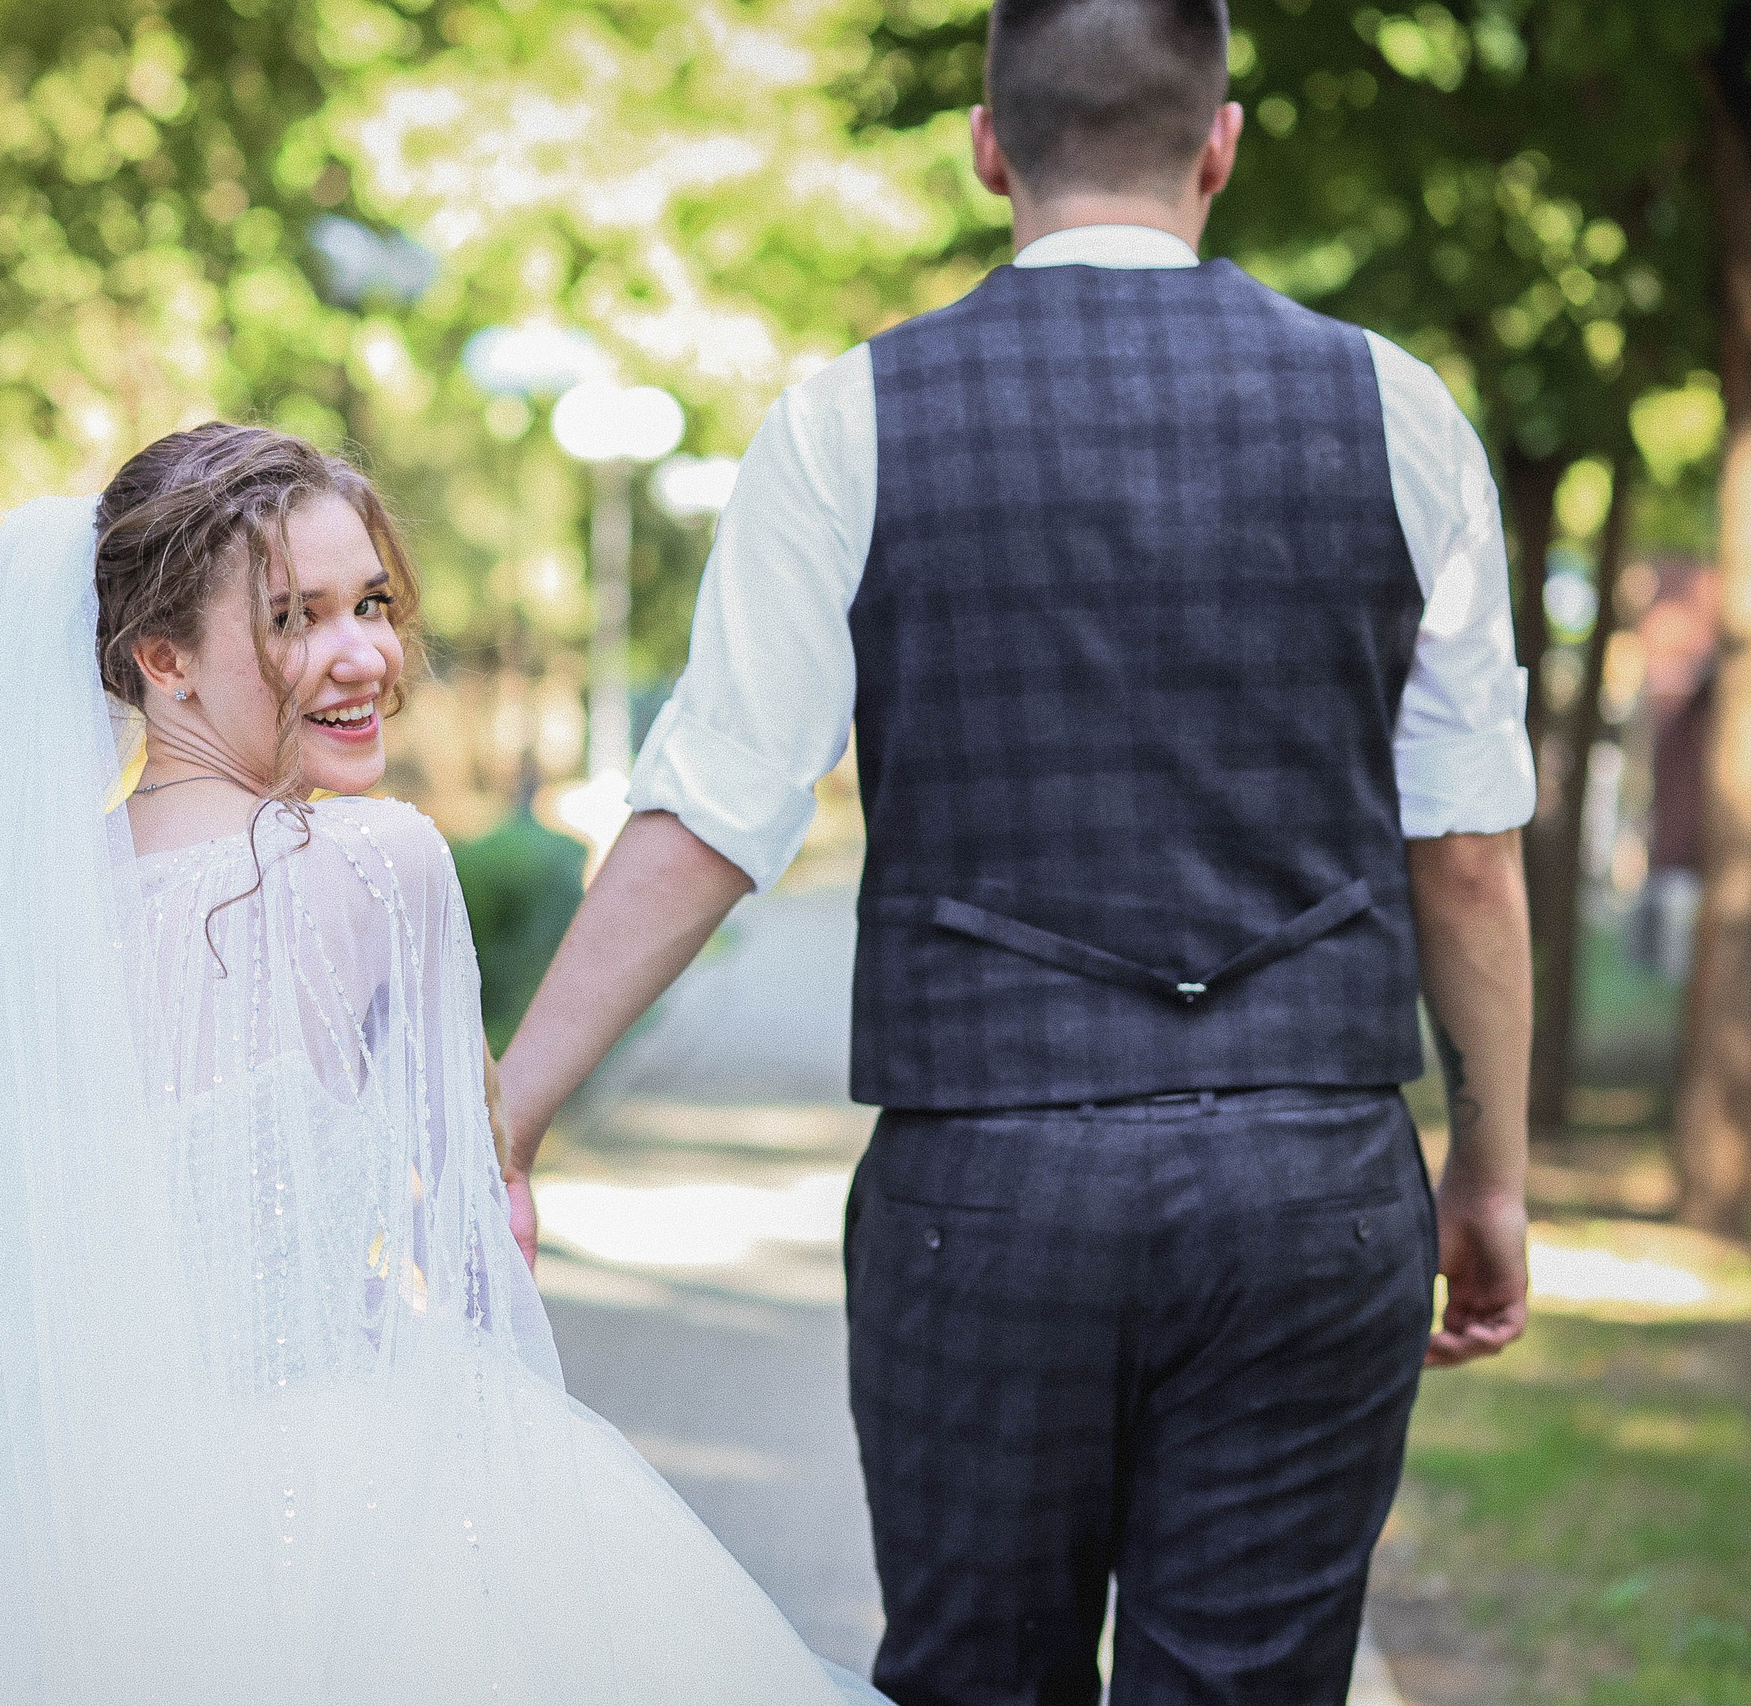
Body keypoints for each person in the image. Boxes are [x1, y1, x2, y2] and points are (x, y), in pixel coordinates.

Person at [497, 2, 1537, 1702]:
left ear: (989, 145)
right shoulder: (1399, 412)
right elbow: (1472, 857)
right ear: (1220, 143)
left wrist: (511, 1112)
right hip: (1310, 1179)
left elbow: (715, 804)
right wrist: (1487, 1174)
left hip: (982, 1194)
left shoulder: (848, 421)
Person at [0, 424, 885, 1705]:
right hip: (342, 1496)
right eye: (295, 618)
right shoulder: (381, 864)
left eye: (371, 603)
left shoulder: (20, 916)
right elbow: (475, 1246)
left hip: (43, 1520)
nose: (364, 655)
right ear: (163, 659)